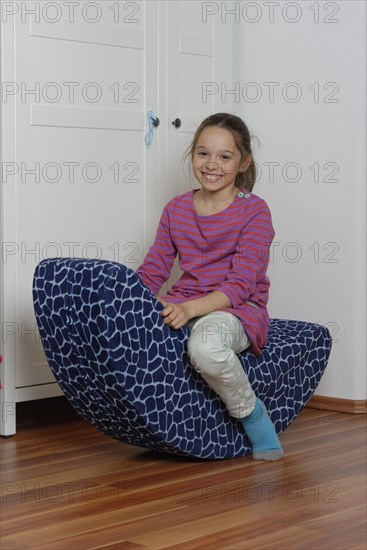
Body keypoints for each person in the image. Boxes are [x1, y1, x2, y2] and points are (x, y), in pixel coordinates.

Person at [136, 113, 283, 461]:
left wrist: (189, 310)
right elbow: (154, 268)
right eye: (203, 154)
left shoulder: (255, 212)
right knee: (133, 332)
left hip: (238, 310)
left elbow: (240, 285)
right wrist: (128, 300)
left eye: (225, 156)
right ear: (192, 156)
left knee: (204, 347)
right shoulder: (176, 209)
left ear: (243, 161)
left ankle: (252, 414)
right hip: (184, 302)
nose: (212, 164)